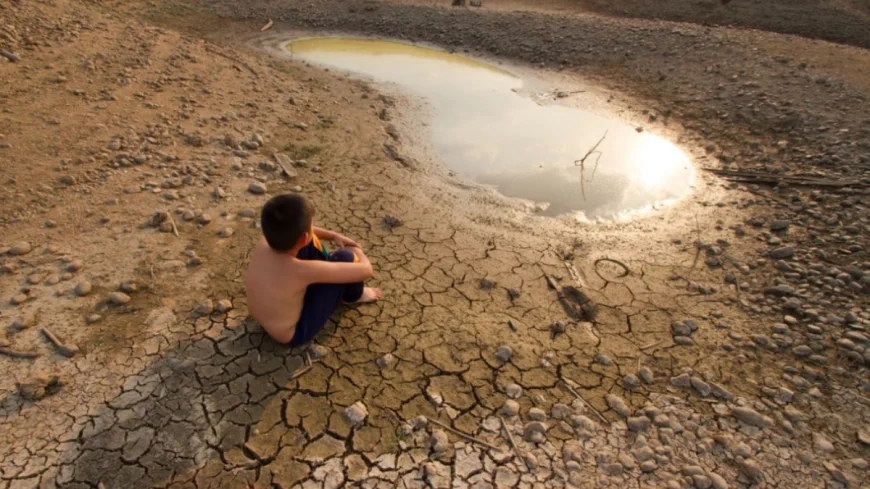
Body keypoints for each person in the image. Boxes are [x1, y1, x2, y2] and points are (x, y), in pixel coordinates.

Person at [246, 194, 381, 345]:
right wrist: (356, 251)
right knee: (345, 257)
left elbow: (304, 233)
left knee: (306, 243)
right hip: (294, 333)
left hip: (265, 318)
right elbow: (366, 270)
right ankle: (354, 296)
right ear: (304, 236)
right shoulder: (301, 270)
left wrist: (333, 236)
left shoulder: (265, 242)